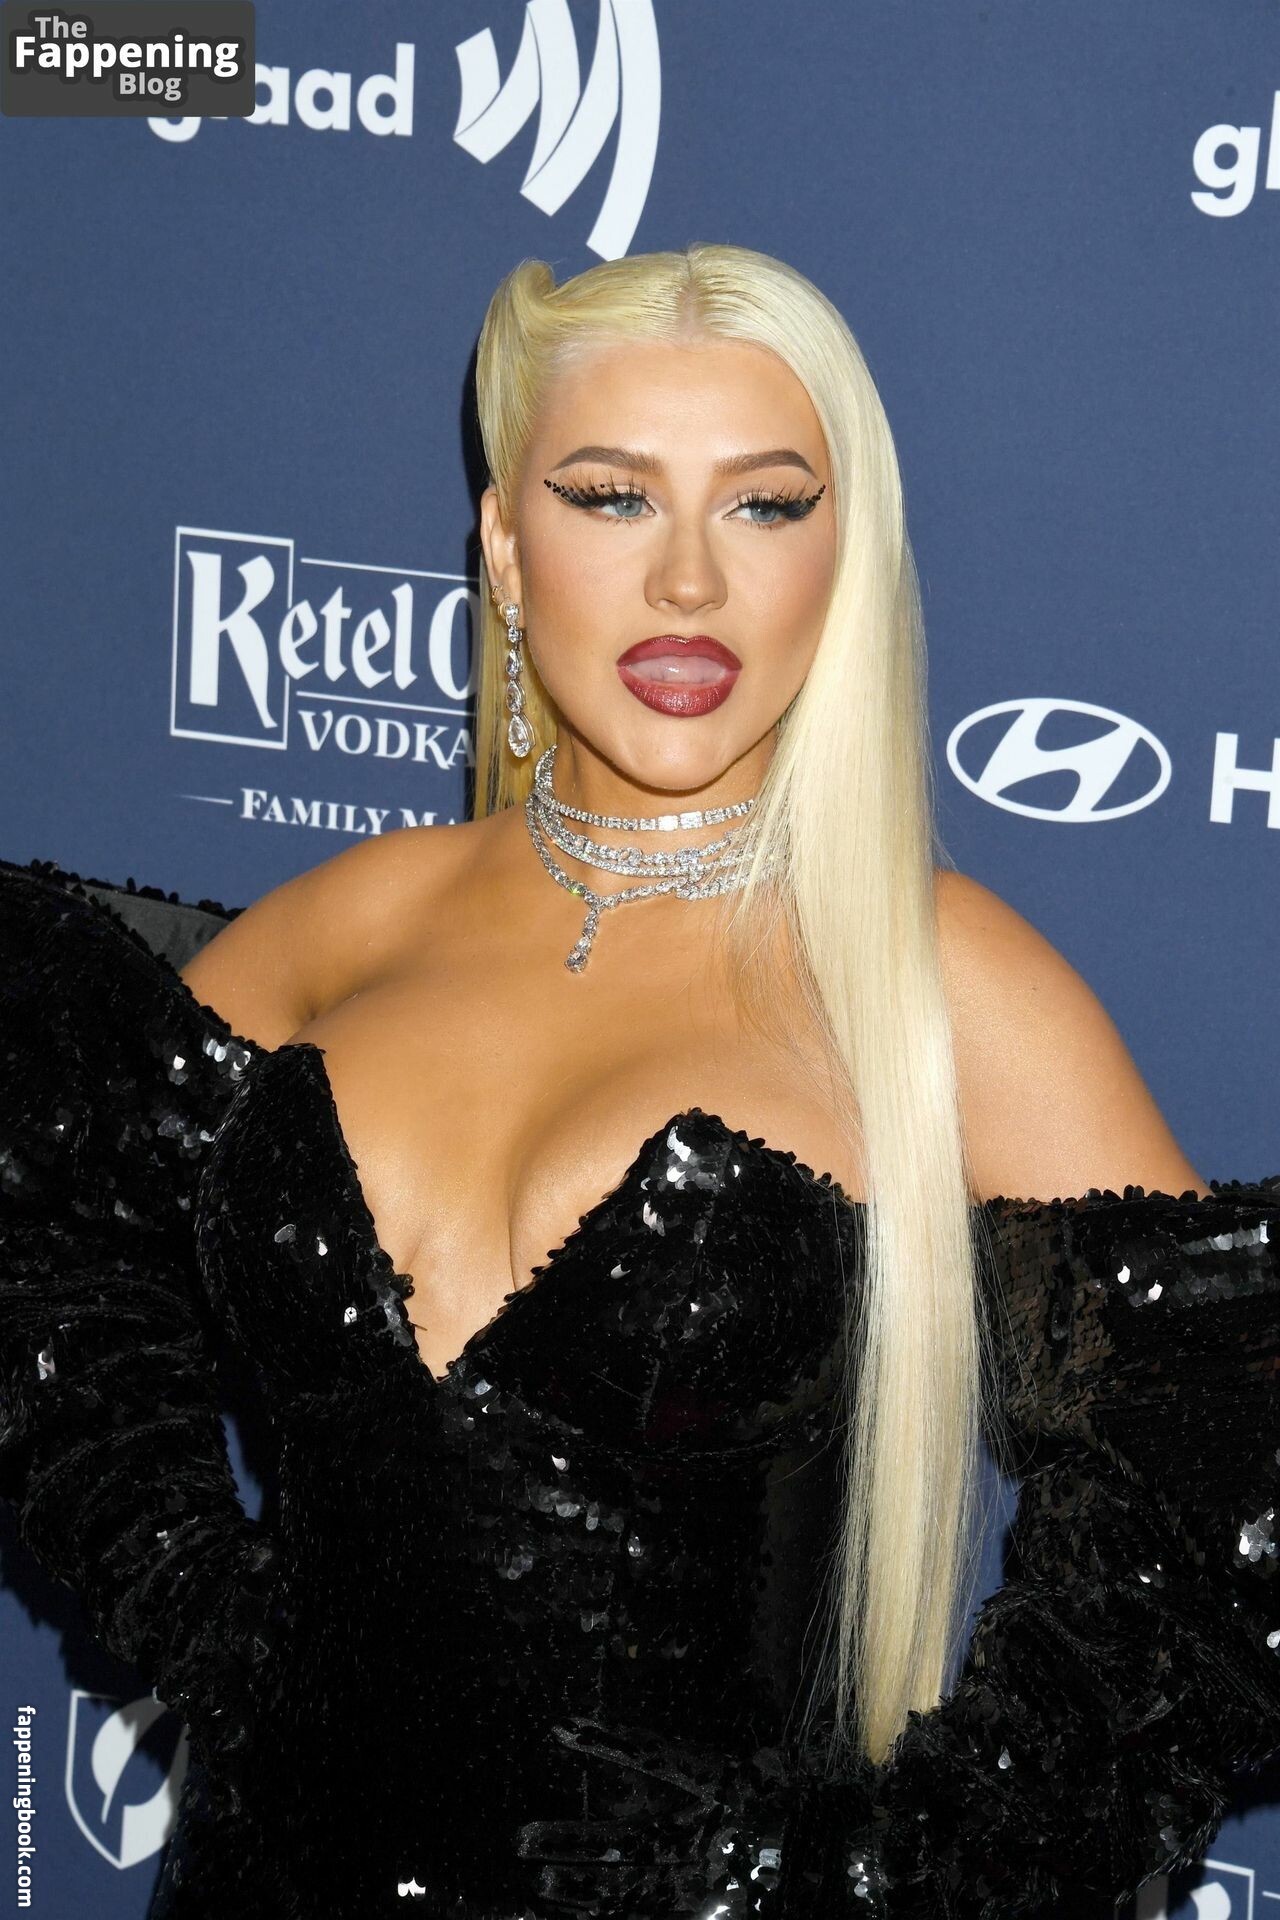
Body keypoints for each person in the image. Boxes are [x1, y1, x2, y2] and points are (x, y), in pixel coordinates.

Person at [0, 242, 1277, 1920]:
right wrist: (188, 1594)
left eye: (765, 506)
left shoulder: (937, 982)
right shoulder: (346, 927)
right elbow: (49, 1234)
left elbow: (1232, 1488)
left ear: (847, 560)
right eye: (612, 498)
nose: (688, 580)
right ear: (505, 552)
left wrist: (881, 1871)